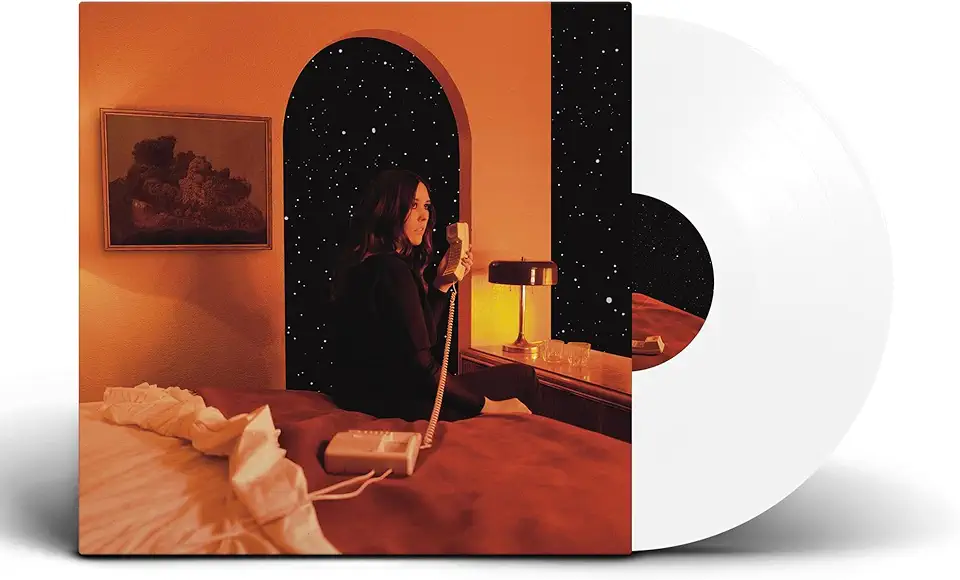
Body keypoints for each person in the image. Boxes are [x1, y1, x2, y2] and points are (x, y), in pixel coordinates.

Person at [329, 168, 540, 422]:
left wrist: (441, 284)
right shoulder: (391, 270)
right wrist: (489, 406)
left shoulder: (368, 264)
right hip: (397, 402)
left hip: (371, 397)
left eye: (427, 206)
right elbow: (422, 366)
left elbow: (422, 338)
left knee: (516, 376)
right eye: (413, 205)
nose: (424, 216)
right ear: (390, 209)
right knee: (522, 377)